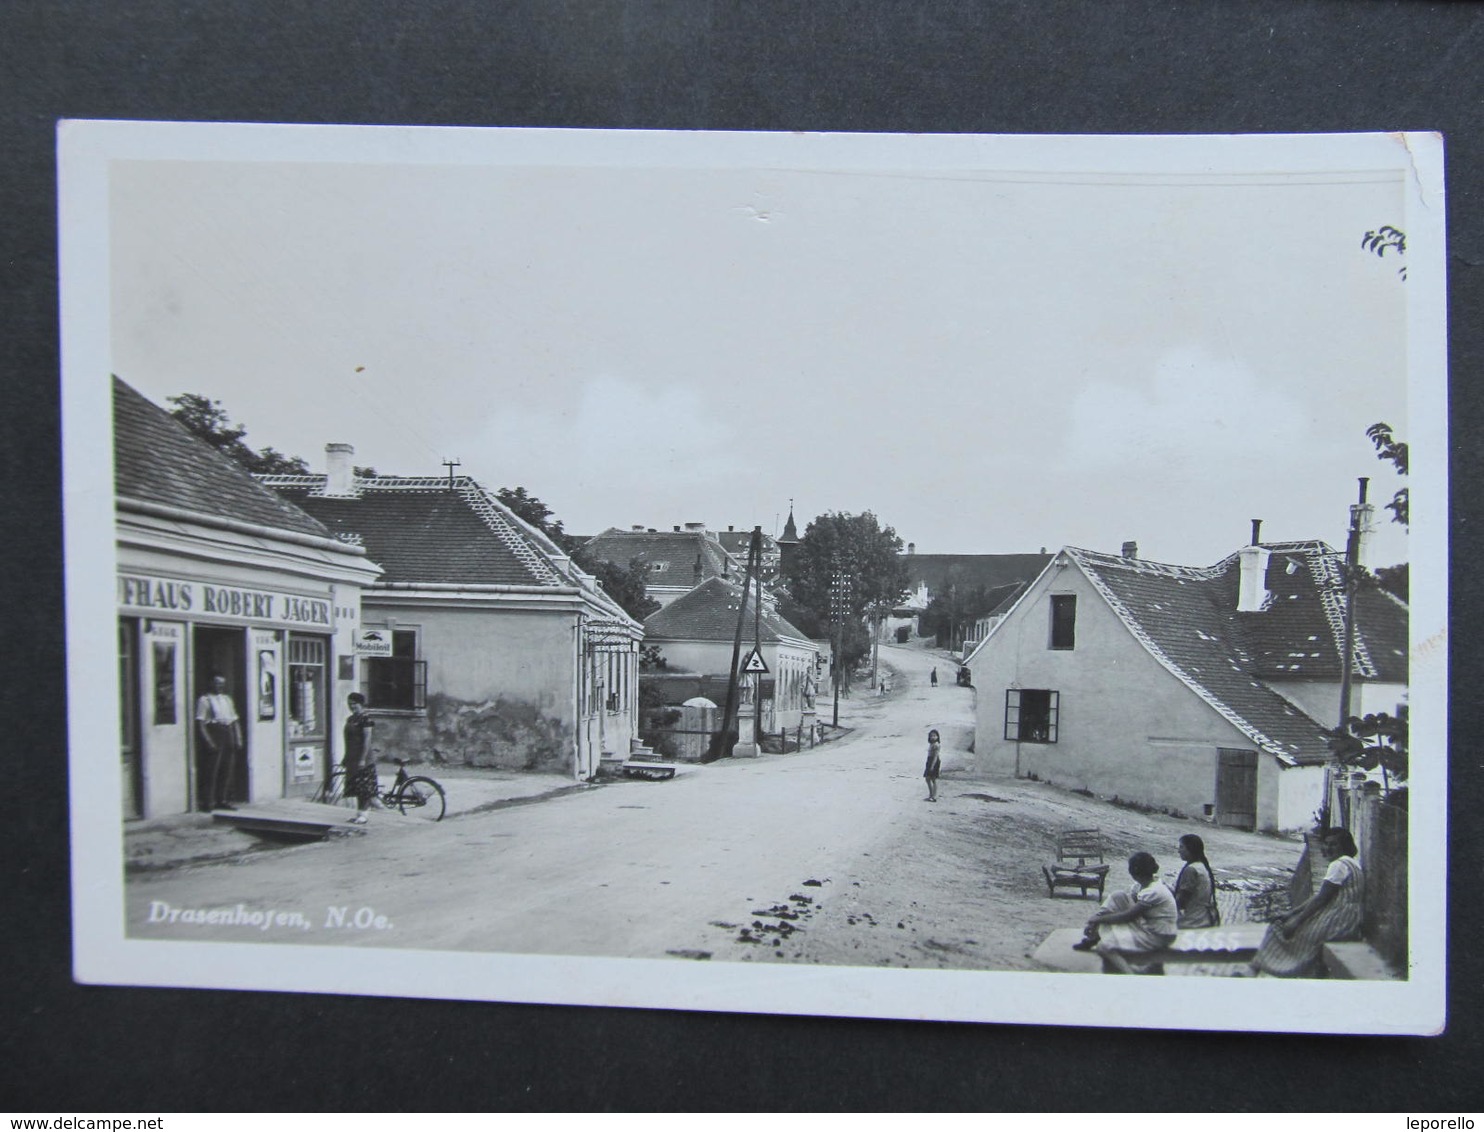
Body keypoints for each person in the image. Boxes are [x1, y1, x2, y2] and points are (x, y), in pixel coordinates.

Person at [1250, 828, 1364, 977]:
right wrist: (1291, 913)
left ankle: (1273, 966)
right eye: (1326, 844)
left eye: (1334, 844)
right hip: (1350, 917)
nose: (1328, 849)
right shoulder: (1353, 864)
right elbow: (1319, 896)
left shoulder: (1338, 866)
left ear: (1344, 846)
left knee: (1285, 931)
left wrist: (1296, 920)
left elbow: (1321, 899)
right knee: (1292, 924)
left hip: (1339, 919)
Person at [1072, 851, 1178, 974]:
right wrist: (1097, 918)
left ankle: (1133, 975)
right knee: (1118, 895)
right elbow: (1122, 902)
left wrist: (1097, 919)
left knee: (1104, 947)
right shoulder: (1144, 884)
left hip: (1160, 936)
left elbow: (1127, 916)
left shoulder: (1154, 890)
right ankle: (1094, 936)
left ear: (1133, 872)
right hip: (1151, 926)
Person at [194, 673, 243, 811]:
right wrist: (209, 741)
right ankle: (208, 802)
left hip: (228, 733)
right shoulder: (204, 700)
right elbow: (200, 723)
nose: (220, 686)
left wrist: (238, 738)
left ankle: (223, 799)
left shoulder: (227, 699)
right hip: (214, 732)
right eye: (217, 683)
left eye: (222, 684)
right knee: (211, 770)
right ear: (211, 683)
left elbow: (234, 721)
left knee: (227, 769)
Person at [341, 692, 378, 824]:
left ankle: (364, 814)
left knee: (364, 787)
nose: (352, 707)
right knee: (356, 786)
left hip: (364, 757)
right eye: (349, 704)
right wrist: (346, 757)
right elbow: (347, 740)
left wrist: (362, 758)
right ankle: (358, 814)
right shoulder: (351, 719)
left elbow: (367, 740)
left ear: (361, 704)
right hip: (352, 756)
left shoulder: (366, 719)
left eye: (354, 704)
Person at [1173, 833, 1220, 929]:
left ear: (1190, 849)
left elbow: (1181, 900)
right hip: (1203, 918)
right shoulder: (1201, 866)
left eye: (1181, 847)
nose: (1179, 851)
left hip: (1191, 922)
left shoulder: (1191, 870)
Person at [923, 729, 942, 802]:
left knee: (933, 779)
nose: (933, 737)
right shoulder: (932, 744)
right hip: (930, 761)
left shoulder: (936, 745)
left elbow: (935, 756)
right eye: (931, 736)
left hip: (934, 762)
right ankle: (931, 795)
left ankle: (933, 796)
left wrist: (932, 766)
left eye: (934, 736)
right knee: (928, 779)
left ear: (937, 737)